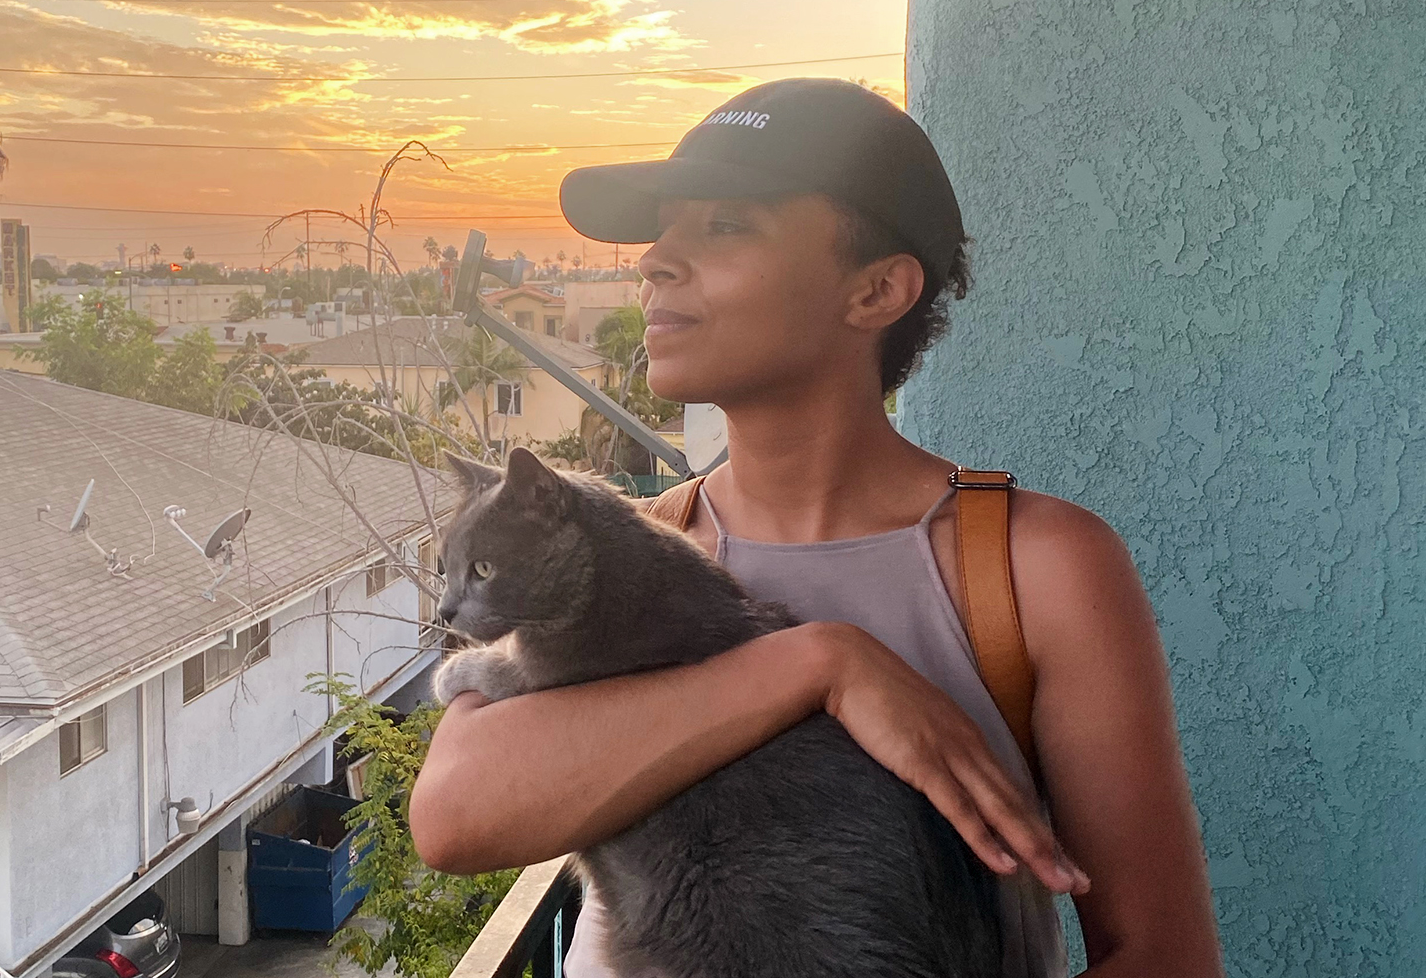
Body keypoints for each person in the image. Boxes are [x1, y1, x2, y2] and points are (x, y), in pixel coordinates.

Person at [411, 78, 1224, 977]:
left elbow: (1162, 956)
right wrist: (818, 665)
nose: (655, 260)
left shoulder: (1031, 567)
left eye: (726, 225)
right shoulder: (635, 548)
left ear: (877, 290)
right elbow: (452, 819)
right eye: (664, 227)